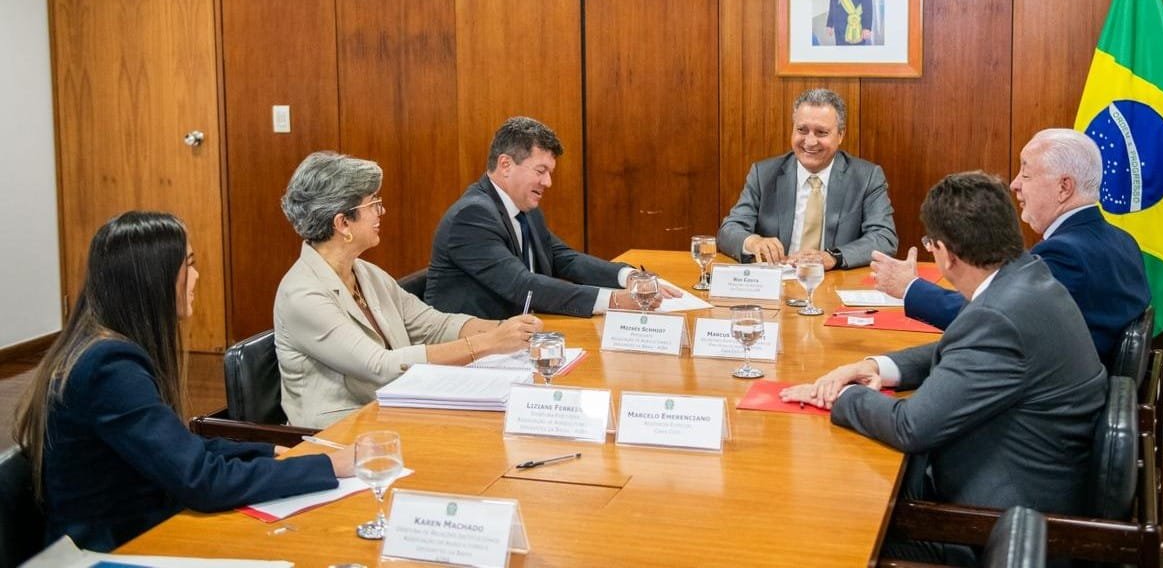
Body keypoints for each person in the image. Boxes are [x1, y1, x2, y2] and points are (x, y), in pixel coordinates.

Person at [782, 172, 1106, 564]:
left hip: (991, 522)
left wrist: (841, 396)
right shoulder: (1028, 279)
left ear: (945, 254)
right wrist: (876, 366)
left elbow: (911, 426)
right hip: (1034, 487)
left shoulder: (1000, 318)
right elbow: (965, 345)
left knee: (831, 528)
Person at [13, 211, 352, 552]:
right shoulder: (109, 367)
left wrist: (268, 451)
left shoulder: (101, 348)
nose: (196, 276)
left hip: (139, 534)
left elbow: (179, 448)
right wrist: (324, 466)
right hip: (114, 551)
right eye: (188, 265)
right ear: (153, 279)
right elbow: (200, 481)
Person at [276, 151, 541, 429]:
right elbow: (379, 365)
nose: (381, 212)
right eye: (373, 204)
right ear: (343, 223)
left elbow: (432, 325)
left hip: (390, 412)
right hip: (340, 433)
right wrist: (491, 343)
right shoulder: (303, 294)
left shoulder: (366, 273)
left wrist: (508, 329)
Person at [871, 128, 1150, 364]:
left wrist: (909, 287)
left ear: (1064, 187)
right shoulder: (1123, 240)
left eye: (1026, 175)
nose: (1015, 184)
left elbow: (989, 319)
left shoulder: (1065, 255)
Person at [423, 117, 674, 318]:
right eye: (541, 171)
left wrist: (629, 277)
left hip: (515, 338)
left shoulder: (525, 210)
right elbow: (523, 286)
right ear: (506, 165)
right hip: (473, 354)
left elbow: (565, 259)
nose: (548, 182)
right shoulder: (472, 216)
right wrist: (615, 301)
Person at [717, 88, 897, 270]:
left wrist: (833, 257)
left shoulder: (866, 177)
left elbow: (884, 237)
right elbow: (729, 230)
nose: (810, 142)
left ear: (840, 135)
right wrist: (753, 242)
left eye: (821, 133)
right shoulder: (764, 174)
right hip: (777, 282)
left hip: (832, 282)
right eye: (802, 130)